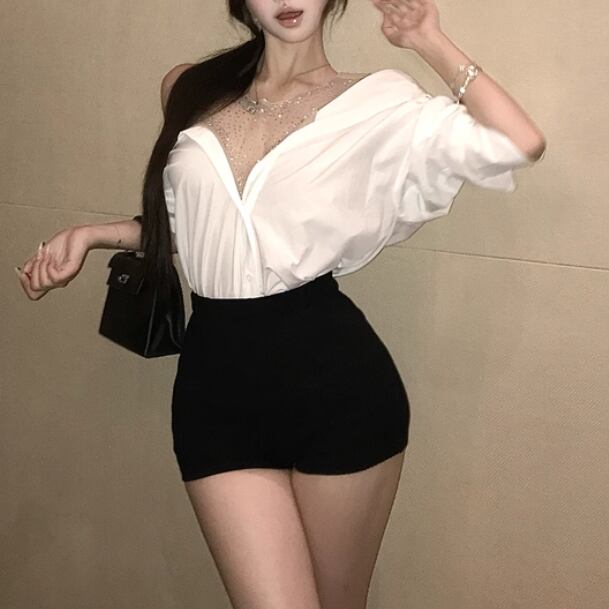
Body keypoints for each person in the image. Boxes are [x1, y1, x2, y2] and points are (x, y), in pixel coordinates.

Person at [14, 1, 546, 608]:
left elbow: (519, 142)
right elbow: (205, 228)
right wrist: (92, 234)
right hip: (214, 391)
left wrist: (427, 41)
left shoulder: (377, 101)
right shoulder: (191, 89)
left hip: (334, 385)